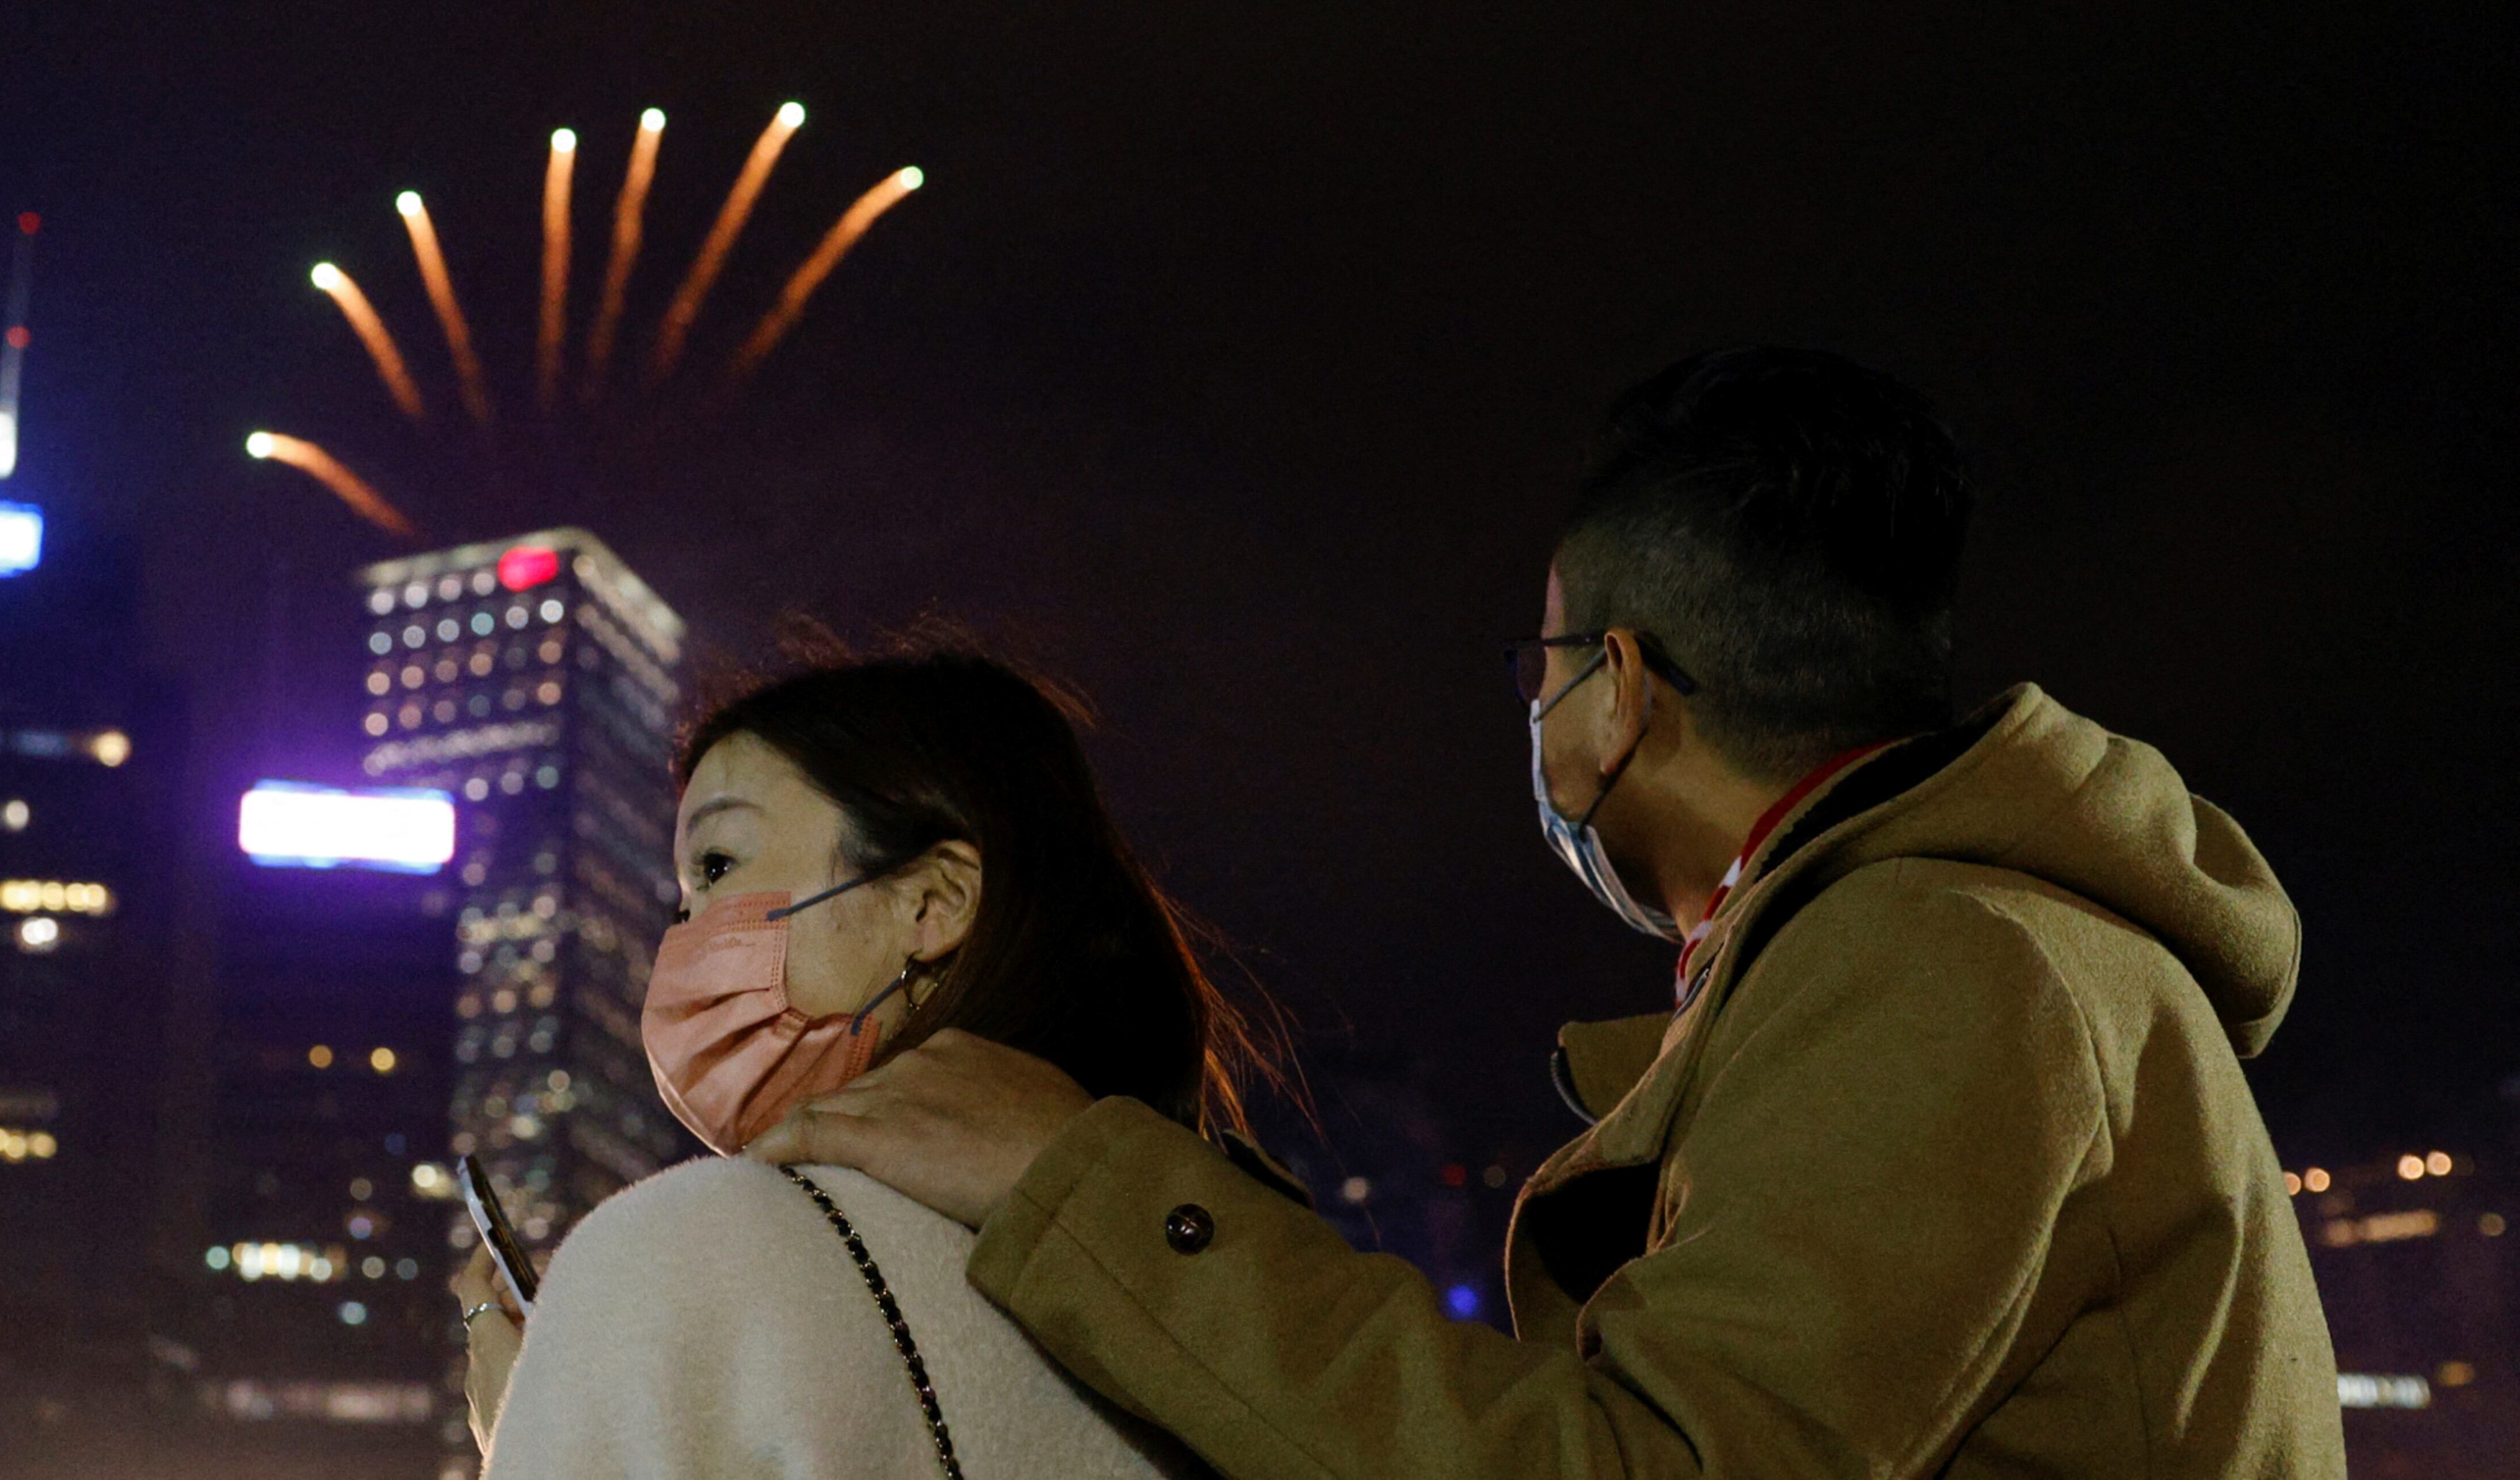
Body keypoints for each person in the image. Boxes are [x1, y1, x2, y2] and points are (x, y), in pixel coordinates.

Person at [748, 348, 2349, 1477]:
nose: (1533, 727)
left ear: (1617, 691)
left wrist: (1075, 1183)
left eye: (1540, 668)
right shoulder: (1947, 956)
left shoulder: (1939, 963)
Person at [454, 645, 1258, 1478]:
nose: (681, 939)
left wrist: (546, 1419)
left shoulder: (696, 1248)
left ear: (932, 903)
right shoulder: (1199, 1333)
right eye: (680, 903)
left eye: (720, 864)